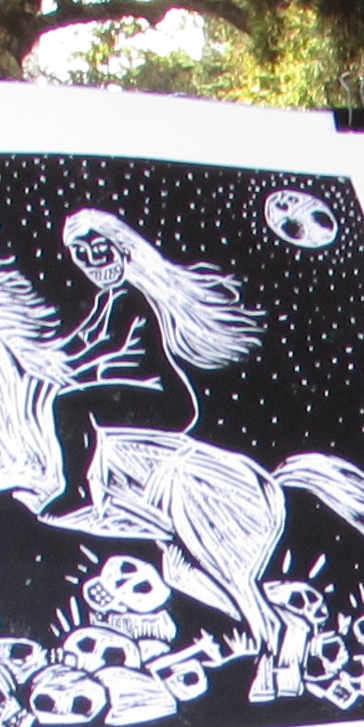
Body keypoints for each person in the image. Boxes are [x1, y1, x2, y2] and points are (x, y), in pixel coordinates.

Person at [38, 206, 256, 518]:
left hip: (164, 399)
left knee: (69, 404)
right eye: (81, 254)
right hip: (142, 394)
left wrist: (68, 367)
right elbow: (82, 339)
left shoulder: (130, 296)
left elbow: (109, 342)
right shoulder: (106, 299)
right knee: (72, 401)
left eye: (100, 250)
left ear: (121, 248)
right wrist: (46, 355)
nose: (93, 262)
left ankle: (77, 491)